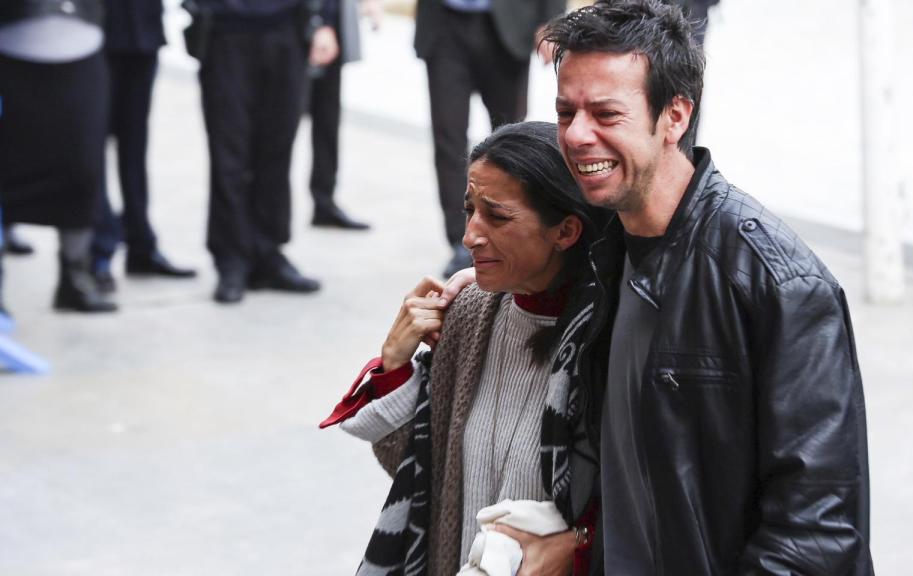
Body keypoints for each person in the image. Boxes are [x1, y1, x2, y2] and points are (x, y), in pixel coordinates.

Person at [541, 1, 873, 573]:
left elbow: (816, 531)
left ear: (675, 116)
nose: (576, 135)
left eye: (605, 114)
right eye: (566, 111)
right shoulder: (600, 248)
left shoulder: (777, 282)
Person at [321, 122, 604, 575]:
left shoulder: (607, 341)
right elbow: (421, 478)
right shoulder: (470, 314)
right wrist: (395, 366)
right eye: (470, 210)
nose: (470, 235)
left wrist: (582, 544)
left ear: (565, 231)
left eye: (497, 216)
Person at [188, 0, 340, 304]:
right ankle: (231, 260)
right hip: (225, 34)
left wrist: (325, 20)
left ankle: (267, 253)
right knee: (228, 154)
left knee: (277, 151)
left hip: (288, 30)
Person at [413, 0, 567, 277]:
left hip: (506, 28)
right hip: (444, 24)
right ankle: (462, 241)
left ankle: (512, 232)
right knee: (447, 139)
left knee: (512, 143)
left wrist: (551, 22)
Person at [0, 0, 117, 313]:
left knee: (83, 172)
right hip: (11, 55)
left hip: (81, 53)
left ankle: (73, 277)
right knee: (5, 170)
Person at [91, 0, 196, 293]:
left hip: (142, 33)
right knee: (92, 150)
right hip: (96, 34)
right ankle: (98, 251)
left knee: (134, 147)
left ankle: (141, 244)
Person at [306, 0, 374, 231]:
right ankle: (260, 217)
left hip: (331, 26)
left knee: (327, 121)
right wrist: (318, 23)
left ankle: (324, 203)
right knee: (278, 128)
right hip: (297, 25)